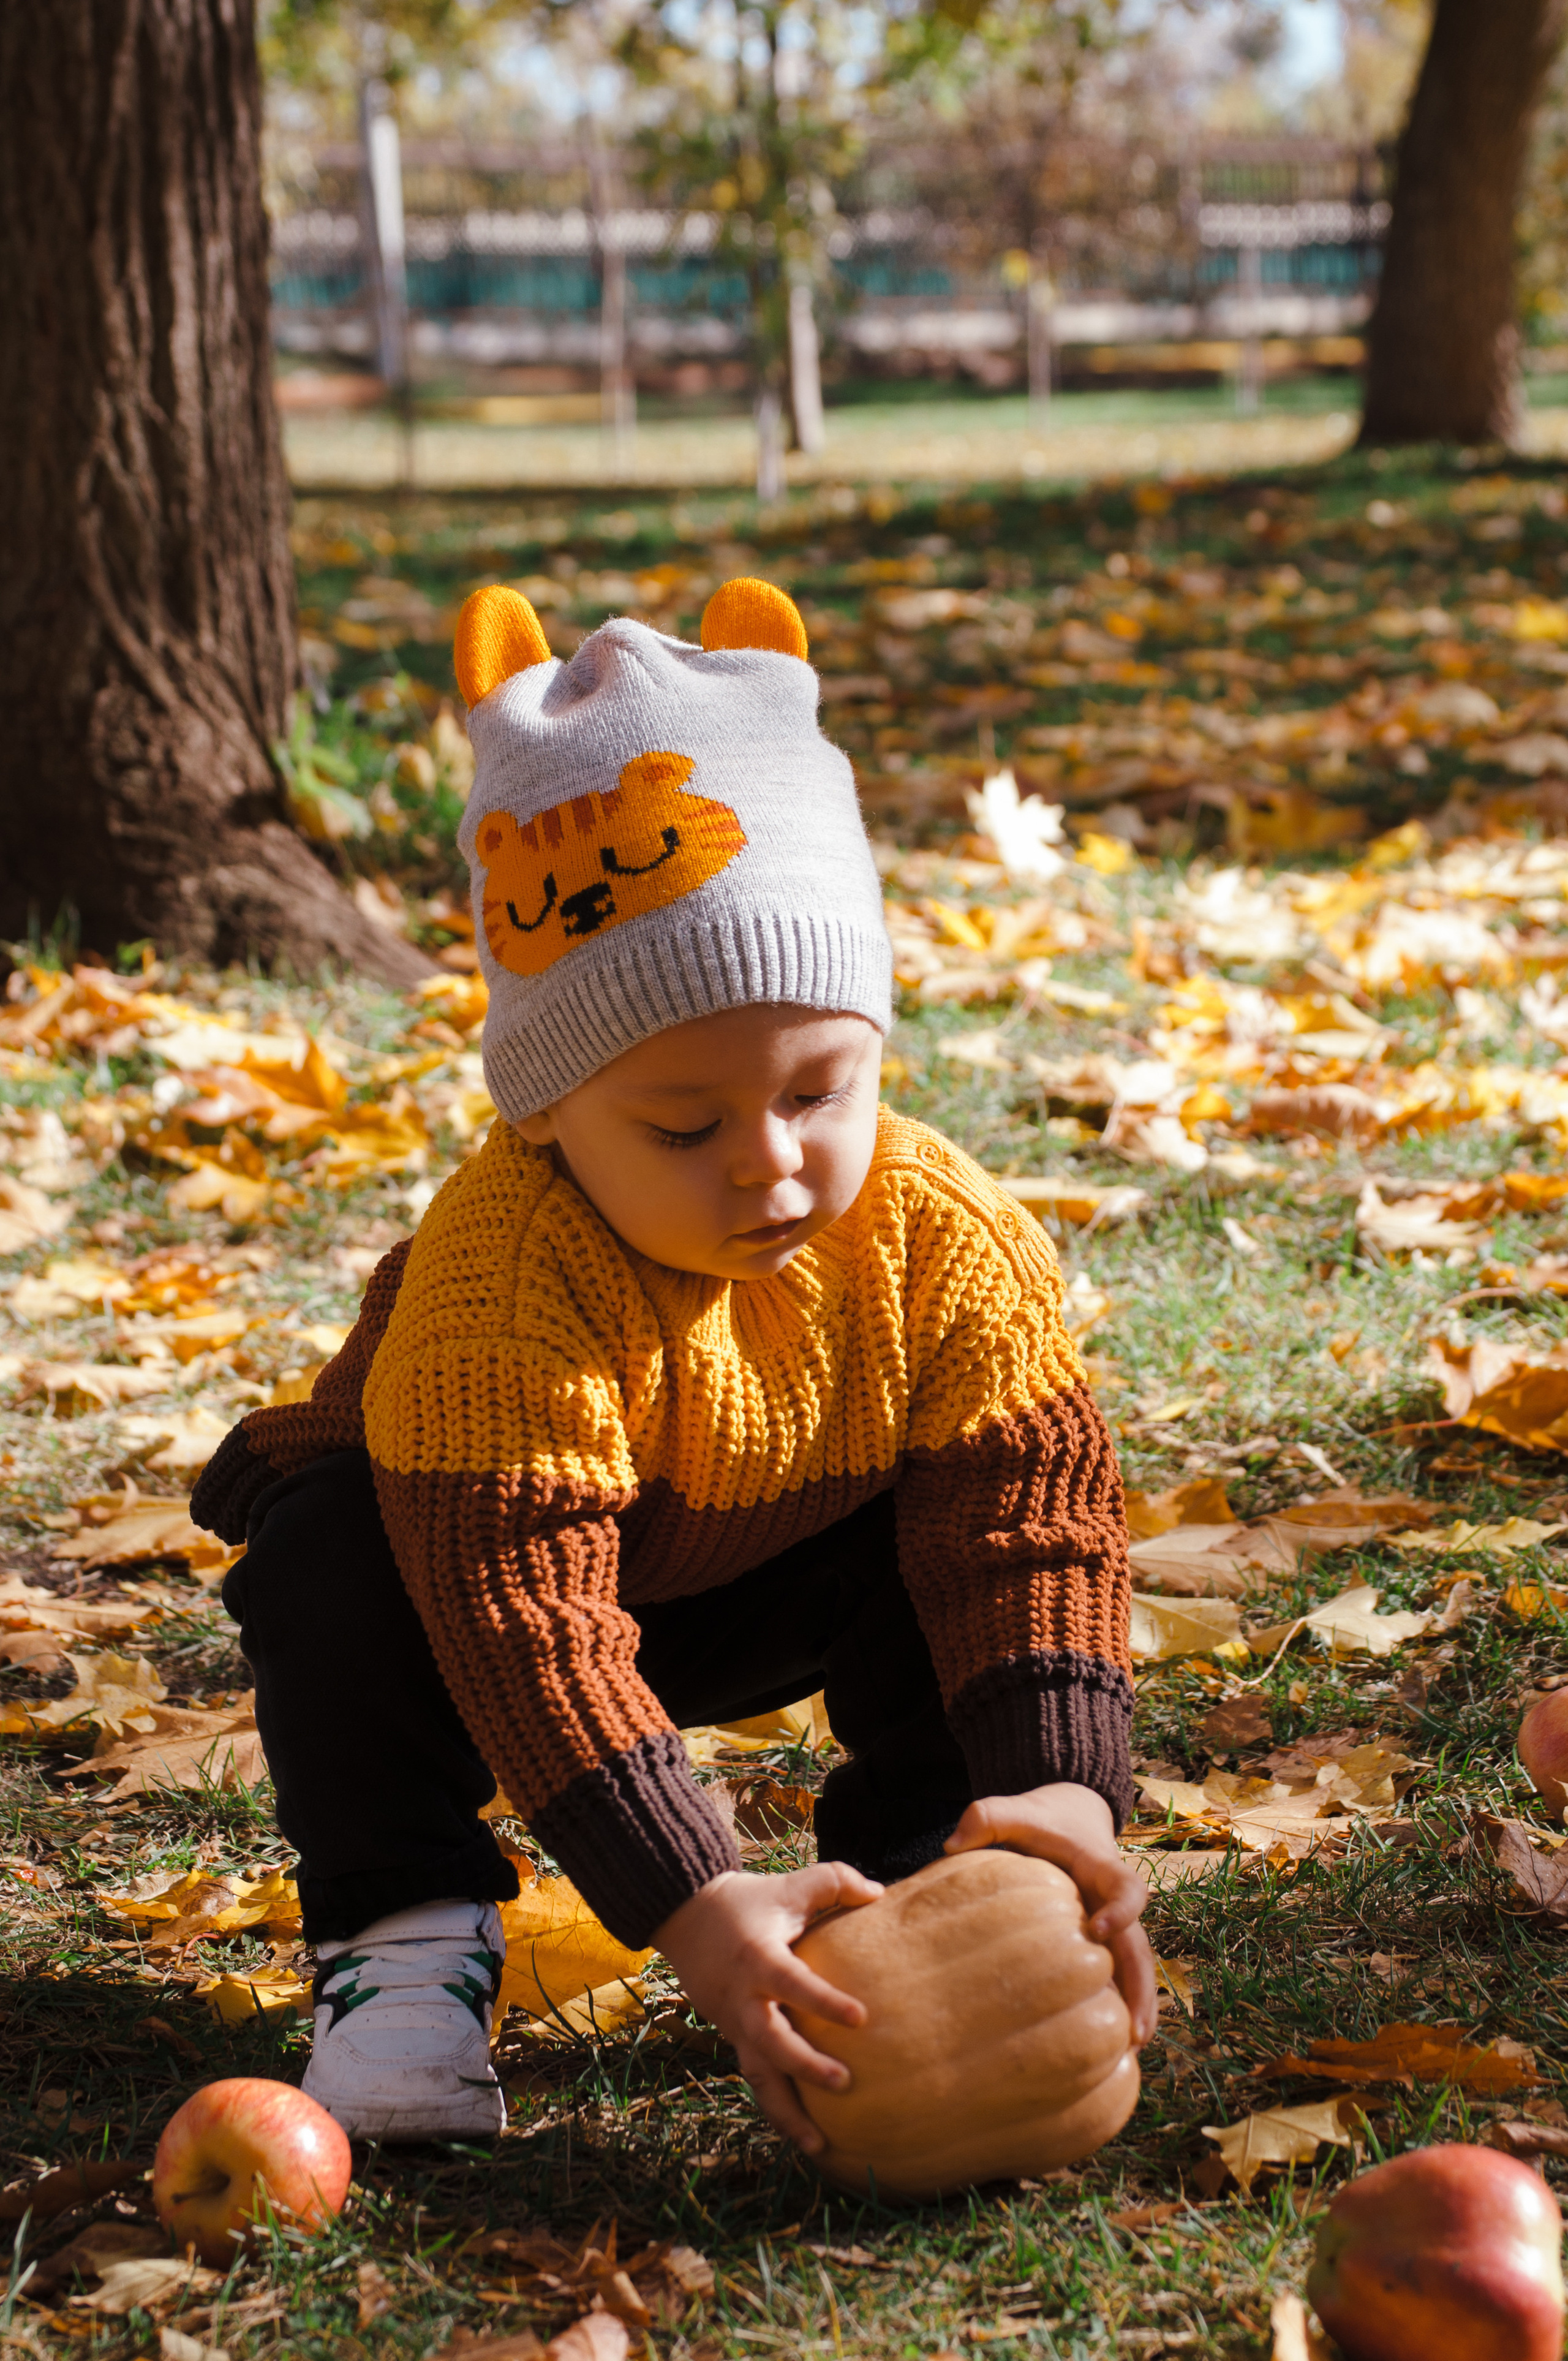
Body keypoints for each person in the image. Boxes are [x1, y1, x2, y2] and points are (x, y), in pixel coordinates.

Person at [191, 575, 1153, 2148]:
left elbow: (1025, 1524)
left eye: (818, 1090)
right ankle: (406, 1945)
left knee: (946, 1531)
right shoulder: (503, 1279)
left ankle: (917, 1877)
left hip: (763, 1549)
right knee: (326, 1571)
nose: (767, 1163)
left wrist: (1061, 1787)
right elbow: (531, 1628)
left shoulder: (936, 1235)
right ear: (547, 1110)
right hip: (477, 1586)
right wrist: (690, 1896)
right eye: (685, 1124)